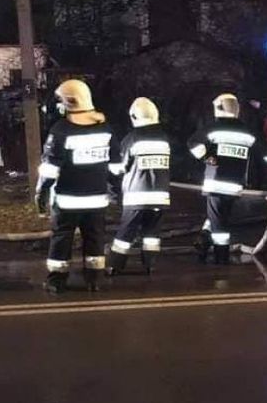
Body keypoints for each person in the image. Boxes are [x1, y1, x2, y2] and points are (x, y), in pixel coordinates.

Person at [35, 79, 117, 294]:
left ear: (68, 102)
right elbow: (116, 166)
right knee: (95, 239)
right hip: (97, 199)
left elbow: (50, 168)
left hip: (67, 199)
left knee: (62, 239)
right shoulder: (106, 129)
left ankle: (57, 281)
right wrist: (115, 191)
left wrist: (41, 192)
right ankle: (94, 280)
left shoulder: (61, 130)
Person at [189, 93, 260, 264]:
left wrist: (205, 157)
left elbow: (193, 143)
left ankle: (221, 257)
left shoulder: (213, 128)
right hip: (234, 185)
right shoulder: (247, 131)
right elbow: (263, 152)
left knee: (219, 225)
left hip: (215, 183)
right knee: (220, 218)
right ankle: (204, 238)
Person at [107, 97, 171, 275]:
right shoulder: (163, 138)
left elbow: (119, 167)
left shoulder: (132, 138)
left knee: (125, 233)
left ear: (134, 117)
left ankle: (114, 265)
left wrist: (108, 167)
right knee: (151, 233)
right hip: (161, 196)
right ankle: (150, 265)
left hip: (136, 196)